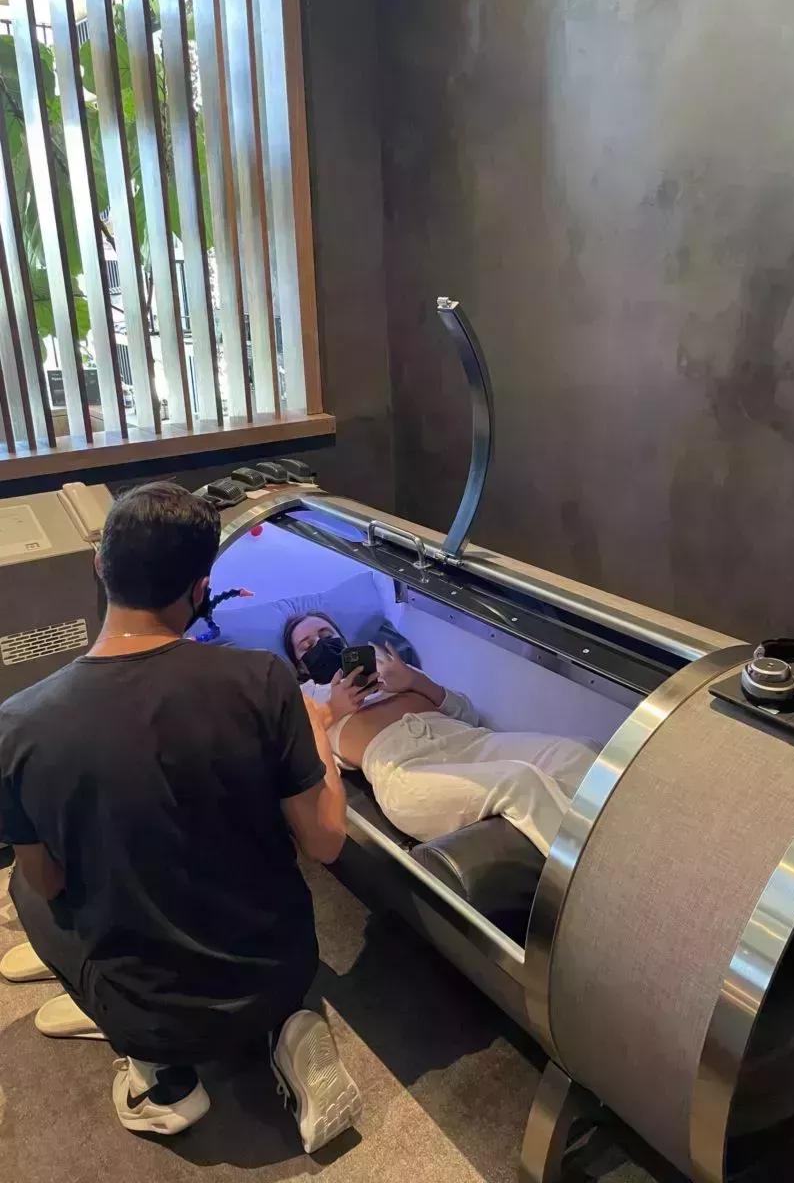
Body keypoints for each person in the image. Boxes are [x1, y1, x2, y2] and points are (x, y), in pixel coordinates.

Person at [0, 483, 361, 1150]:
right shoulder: (264, 681)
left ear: (100, 567)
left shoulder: (15, 726)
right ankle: (288, 1024)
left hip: (155, 1015)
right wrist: (317, 730)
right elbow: (326, 842)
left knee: (25, 885)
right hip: (279, 971)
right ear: (201, 589)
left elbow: (49, 883)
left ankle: (160, 1078)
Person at [283, 613, 598, 856]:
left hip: (470, 741)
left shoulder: (387, 667)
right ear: (301, 667)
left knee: (581, 752)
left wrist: (415, 682)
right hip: (406, 769)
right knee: (521, 781)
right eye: (307, 646)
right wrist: (333, 710)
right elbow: (305, 763)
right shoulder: (306, 698)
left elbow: (467, 713)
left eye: (326, 634)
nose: (320, 644)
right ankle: (599, 888)